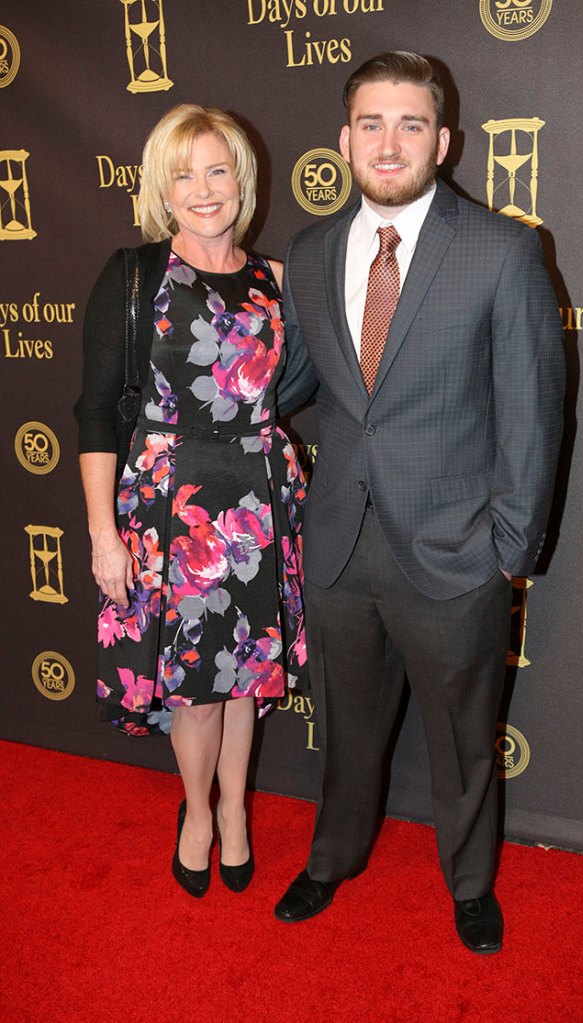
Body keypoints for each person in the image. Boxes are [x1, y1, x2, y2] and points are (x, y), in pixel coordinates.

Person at [273, 52, 565, 953]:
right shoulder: (311, 250)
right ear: (344, 139)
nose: (388, 142)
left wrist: (510, 549)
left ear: (444, 140)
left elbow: (533, 407)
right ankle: (333, 857)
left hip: (455, 548)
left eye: (408, 124)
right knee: (347, 726)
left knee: (465, 739)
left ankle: (471, 884)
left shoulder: (503, 248)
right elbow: (287, 383)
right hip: (339, 544)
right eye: (370, 123)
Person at [75, 104, 307, 899]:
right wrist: (104, 534)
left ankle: (237, 810)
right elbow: (97, 410)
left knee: (246, 677)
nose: (204, 189)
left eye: (218, 169)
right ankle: (198, 814)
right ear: (161, 189)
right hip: (172, 507)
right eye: (184, 174)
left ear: (242, 179)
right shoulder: (135, 276)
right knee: (198, 691)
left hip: (257, 499)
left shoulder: (276, 280)